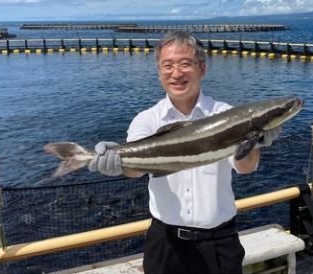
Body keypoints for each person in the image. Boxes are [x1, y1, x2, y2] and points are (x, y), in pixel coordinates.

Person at [88, 31, 280, 274]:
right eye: (167, 66)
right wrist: (114, 161)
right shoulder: (146, 120)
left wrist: (255, 143)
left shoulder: (226, 115)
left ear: (202, 68)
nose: (176, 73)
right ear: (159, 72)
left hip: (219, 241)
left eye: (185, 64)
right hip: (166, 243)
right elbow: (135, 170)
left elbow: (245, 167)